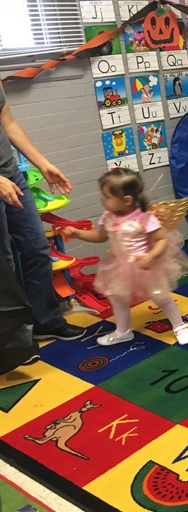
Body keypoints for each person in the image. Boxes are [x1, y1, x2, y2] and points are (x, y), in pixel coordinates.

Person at [61, 168, 188, 346]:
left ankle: (179, 326)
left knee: (161, 296)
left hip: (146, 266)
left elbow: (161, 240)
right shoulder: (108, 217)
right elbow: (100, 237)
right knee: (118, 298)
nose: (102, 200)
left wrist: (151, 256)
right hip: (119, 266)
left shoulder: (145, 219)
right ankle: (122, 331)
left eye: (107, 196)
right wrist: (78, 233)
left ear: (127, 200)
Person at [0, 82, 85, 341]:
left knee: (37, 249)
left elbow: (9, 123)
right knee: (4, 263)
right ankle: (11, 341)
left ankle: (44, 320)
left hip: (11, 174)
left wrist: (44, 164)